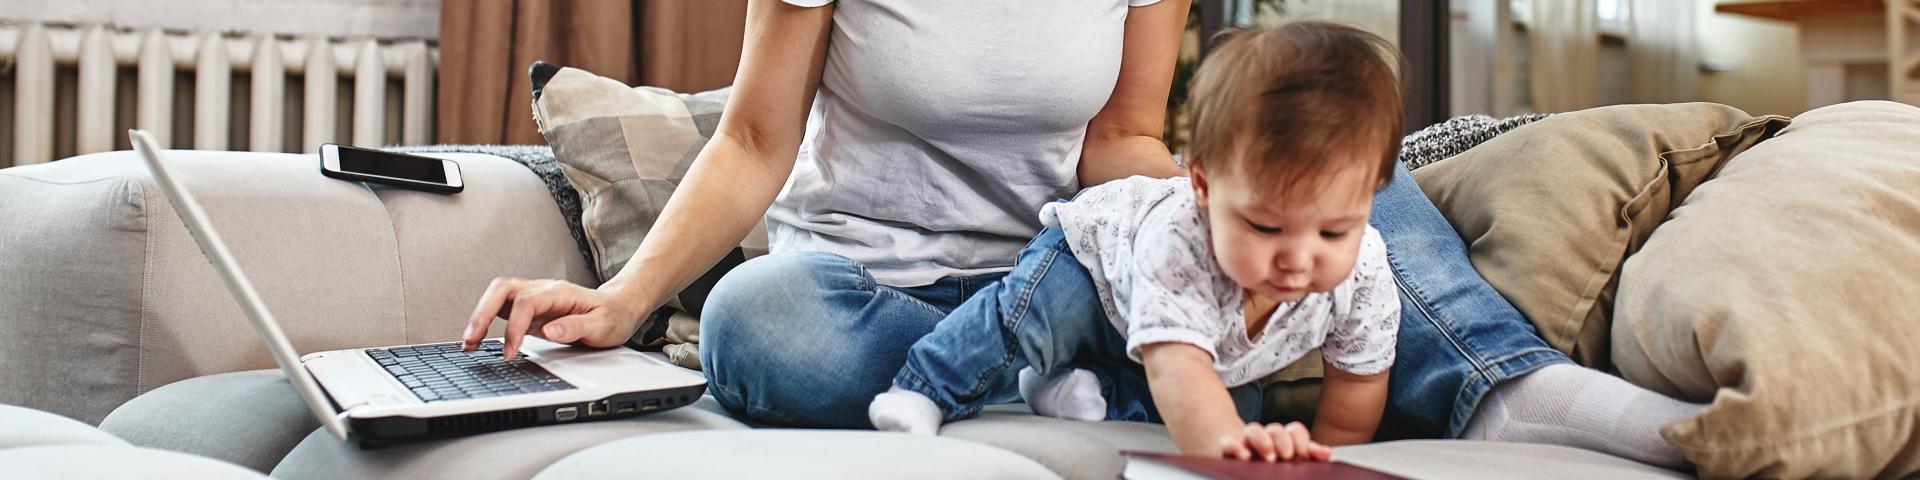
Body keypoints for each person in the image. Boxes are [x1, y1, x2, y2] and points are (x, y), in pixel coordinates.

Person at [459, 0, 1701, 468]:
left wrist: (1201, 219)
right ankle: (1046, 384)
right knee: (753, 324)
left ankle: (1505, 385)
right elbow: (750, 144)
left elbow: (1123, 138)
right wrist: (624, 303)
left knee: (1322, 159)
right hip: (878, 294)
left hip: (1072, 268)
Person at [865, 24, 1400, 464]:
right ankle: (922, 387)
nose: (1299, 259)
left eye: (1333, 232)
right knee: (1028, 317)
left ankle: (1079, 389)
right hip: (1095, 269)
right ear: (1205, 188)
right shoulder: (1182, 243)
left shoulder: (1364, 272)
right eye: (1265, 227)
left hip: (1206, 352)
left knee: (1236, 401)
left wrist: (1326, 457)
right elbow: (1181, 371)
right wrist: (1223, 448)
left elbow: (1358, 381)